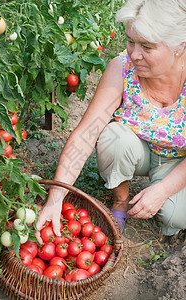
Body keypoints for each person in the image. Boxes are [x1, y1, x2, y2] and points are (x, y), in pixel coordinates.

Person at [36, 0, 186, 244]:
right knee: (113, 138)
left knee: (174, 217)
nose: (134, 54)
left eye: (147, 47)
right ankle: (120, 201)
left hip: (180, 160)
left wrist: (163, 190)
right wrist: (55, 197)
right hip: (137, 148)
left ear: (179, 46)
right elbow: (86, 135)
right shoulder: (123, 68)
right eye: (130, 41)